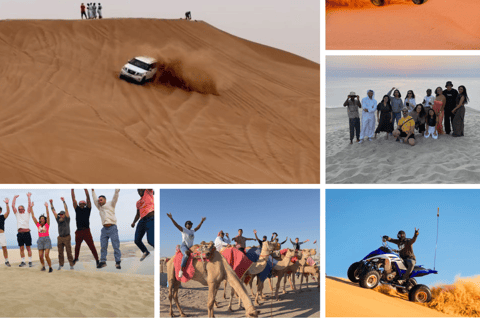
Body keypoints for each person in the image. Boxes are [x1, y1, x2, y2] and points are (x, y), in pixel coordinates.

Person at [166, 213, 206, 278]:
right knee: (186, 254)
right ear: (186, 225)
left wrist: (202, 221)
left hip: (191, 246)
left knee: (200, 252)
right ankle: (181, 270)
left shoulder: (192, 231)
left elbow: (198, 227)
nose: (190, 225)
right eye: (189, 224)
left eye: (191, 224)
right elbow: (177, 225)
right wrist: (171, 218)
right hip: (184, 246)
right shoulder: (183, 230)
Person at [92, 189, 122, 269]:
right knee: (103, 246)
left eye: (101, 200)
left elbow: (115, 197)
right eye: (99, 200)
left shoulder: (111, 204)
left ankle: (118, 262)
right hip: (104, 229)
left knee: (115, 245)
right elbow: (94, 200)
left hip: (112, 227)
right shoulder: (100, 207)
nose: (99, 201)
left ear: (105, 200)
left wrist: (117, 190)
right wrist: (92, 191)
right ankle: (103, 262)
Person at [72, 189, 99, 267]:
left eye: (83, 204)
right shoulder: (77, 209)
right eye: (81, 204)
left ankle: (97, 260)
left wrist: (86, 191)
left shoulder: (88, 209)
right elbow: (73, 199)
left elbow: (89, 199)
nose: (82, 205)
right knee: (77, 246)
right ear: (79, 204)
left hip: (86, 231)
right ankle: (76, 258)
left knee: (92, 246)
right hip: (79, 231)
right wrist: (72, 190)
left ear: (85, 204)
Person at [51, 198, 74, 270]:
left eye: (62, 214)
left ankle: (71, 265)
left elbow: (66, 209)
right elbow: (53, 212)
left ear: (64, 215)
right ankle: (61, 265)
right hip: (60, 238)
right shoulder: (58, 220)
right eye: (60, 214)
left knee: (68, 252)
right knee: (60, 253)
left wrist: (64, 201)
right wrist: (51, 203)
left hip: (67, 237)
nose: (60, 215)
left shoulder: (67, 219)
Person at [131, 189, 154, 261]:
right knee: (137, 240)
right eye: (138, 191)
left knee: (150, 241)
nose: (139, 192)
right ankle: (145, 251)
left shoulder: (148, 192)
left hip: (151, 219)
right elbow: (138, 214)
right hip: (142, 221)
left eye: (140, 190)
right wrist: (134, 222)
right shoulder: (138, 202)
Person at [31, 201, 53, 273]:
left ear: (45, 220)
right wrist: (31, 207)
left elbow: (48, 215)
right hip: (40, 240)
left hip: (46, 239)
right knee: (40, 256)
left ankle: (50, 267)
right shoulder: (38, 225)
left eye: (43, 218)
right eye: (41, 218)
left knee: (46, 255)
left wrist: (47, 207)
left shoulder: (47, 225)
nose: (42, 219)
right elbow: (33, 217)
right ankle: (43, 266)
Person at [12, 193, 33, 267]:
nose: (20, 210)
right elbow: (12, 206)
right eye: (19, 209)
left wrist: (28, 197)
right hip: (20, 234)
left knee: (28, 248)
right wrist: (14, 197)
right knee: (21, 248)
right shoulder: (17, 214)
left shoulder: (27, 214)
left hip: (27, 233)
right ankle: (23, 261)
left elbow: (29, 206)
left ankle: (30, 261)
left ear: (24, 209)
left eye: (21, 209)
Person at [0, 198, 11, 267]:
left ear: (0, 211)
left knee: (4, 247)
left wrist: (7, 204)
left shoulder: (2, 217)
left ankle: (6, 261)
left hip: (1, 234)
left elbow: (8, 212)